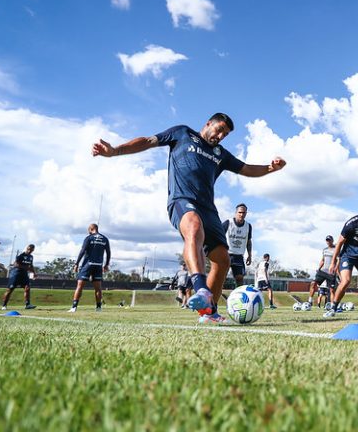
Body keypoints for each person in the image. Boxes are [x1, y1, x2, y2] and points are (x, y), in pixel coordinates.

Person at [92, 113, 286, 324]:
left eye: (225, 134)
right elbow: (148, 141)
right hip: (182, 200)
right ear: (208, 123)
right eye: (219, 129)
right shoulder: (182, 133)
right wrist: (115, 151)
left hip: (209, 209)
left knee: (222, 259)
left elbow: (247, 168)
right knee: (193, 227)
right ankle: (201, 289)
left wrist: (270, 168)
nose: (221, 136)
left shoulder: (220, 153)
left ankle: (208, 312)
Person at [68, 223, 110, 312]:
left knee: (79, 286)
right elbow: (108, 252)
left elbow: (82, 251)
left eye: (88, 230)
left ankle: (74, 307)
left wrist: (76, 264)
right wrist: (106, 265)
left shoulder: (89, 238)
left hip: (88, 265)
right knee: (98, 288)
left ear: (91, 229)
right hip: (98, 265)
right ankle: (98, 308)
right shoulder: (105, 239)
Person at [223, 203, 253, 288]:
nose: (241, 214)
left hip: (239, 256)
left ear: (246, 213)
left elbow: (248, 241)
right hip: (227, 254)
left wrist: (250, 255)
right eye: (240, 212)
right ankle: (214, 298)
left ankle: (239, 297)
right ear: (236, 212)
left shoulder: (248, 226)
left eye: (243, 213)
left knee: (240, 278)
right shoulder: (228, 223)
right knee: (222, 278)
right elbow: (218, 235)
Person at [1, 244, 38, 310]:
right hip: (16, 274)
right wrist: (26, 268)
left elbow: (31, 265)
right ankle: (4, 305)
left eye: (31, 249)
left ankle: (28, 304)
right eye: (29, 249)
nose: (30, 251)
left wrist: (34, 273)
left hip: (24, 275)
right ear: (26, 248)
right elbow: (16, 264)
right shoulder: (21, 256)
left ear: (33, 250)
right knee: (10, 290)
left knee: (27, 288)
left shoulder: (31, 257)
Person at [309, 235, 337, 305]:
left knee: (332, 290)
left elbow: (338, 260)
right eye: (327, 240)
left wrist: (335, 269)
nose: (328, 241)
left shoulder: (336, 249)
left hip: (331, 273)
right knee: (313, 284)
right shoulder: (325, 250)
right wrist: (319, 268)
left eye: (329, 240)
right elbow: (322, 260)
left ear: (332, 241)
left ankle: (333, 305)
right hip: (323, 271)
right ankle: (310, 301)